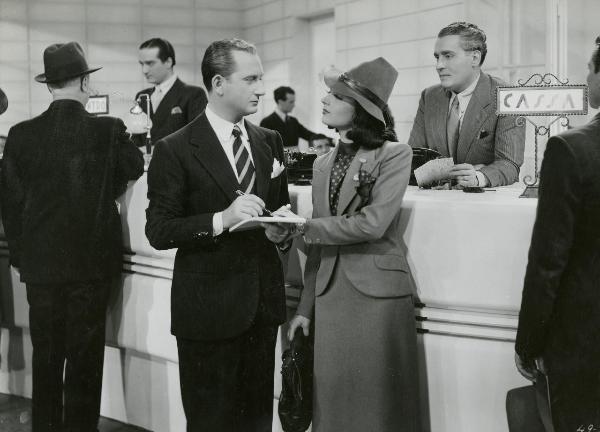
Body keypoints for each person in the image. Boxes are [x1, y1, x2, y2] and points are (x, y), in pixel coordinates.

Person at [267, 57, 420, 432]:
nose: (324, 102)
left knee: (379, 410)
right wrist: (305, 308)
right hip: (330, 298)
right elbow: (318, 245)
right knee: (333, 409)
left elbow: (373, 223)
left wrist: (305, 225)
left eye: (336, 97)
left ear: (362, 110)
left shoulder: (395, 154)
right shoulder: (322, 164)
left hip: (377, 297)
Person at [145, 38, 290, 432]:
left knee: (258, 420)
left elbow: (277, 211)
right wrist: (220, 219)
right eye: (252, 79)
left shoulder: (269, 141)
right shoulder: (173, 149)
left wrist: (281, 232)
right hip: (207, 314)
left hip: (261, 308)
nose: (261, 88)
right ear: (219, 83)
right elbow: (158, 230)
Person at [0, 41, 144, 432]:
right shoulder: (108, 129)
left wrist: (22, 259)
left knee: (46, 358)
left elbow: (9, 205)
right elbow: (133, 168)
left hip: (41, 267)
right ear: (84, 82)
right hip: (90, 266)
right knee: (85, 361)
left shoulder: (21, 134)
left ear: (49, 85)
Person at [512, 36, 600, 432]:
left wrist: (528, 344)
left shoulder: (570, 149)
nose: (585, 75)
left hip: (585, 342)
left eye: (589, 68)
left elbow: (548, 261)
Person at [408, 21, 525, 187]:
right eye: (437, 57)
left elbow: (509, 164)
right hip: (436, 202)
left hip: (482, 205)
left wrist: (478, 176)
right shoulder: (429, 97)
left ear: (475, 58)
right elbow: (412, 161)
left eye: (448, 56)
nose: (439, 65)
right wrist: (448, 175)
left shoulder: (507, 96)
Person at [134, 38, 207, 148]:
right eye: (142, 64)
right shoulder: (142, 97)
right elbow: (136, 138)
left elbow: (199, 139)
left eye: (150, 63)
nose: (144, 70)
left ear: (168, 62)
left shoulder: (193, 94)